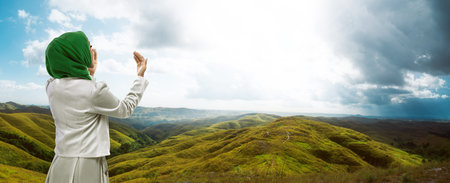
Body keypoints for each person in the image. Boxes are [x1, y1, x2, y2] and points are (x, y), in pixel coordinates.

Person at [44, 31, 149, 183]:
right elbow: (125, 109)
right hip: (86, 165)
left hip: (60, 162)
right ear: (77, 53)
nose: (92, 51)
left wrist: (89, 74)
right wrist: (140, 77)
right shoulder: (94, 91)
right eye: (88, 46)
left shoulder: (51, 87)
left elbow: (76, 91)